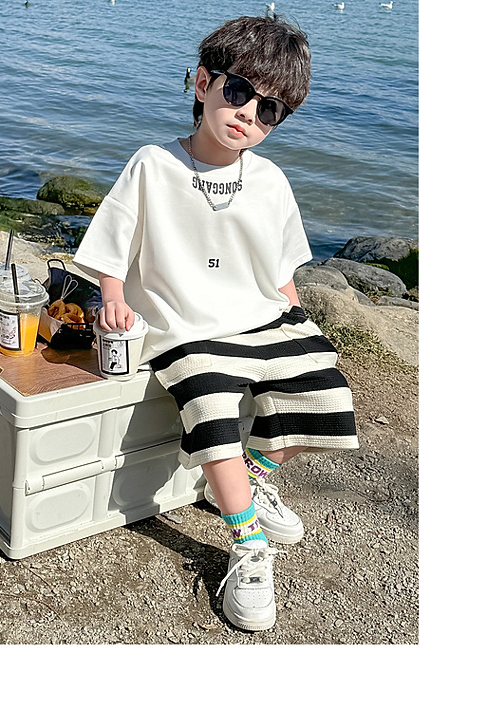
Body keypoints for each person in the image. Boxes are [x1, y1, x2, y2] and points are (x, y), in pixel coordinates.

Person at [73, 14, 359, 632]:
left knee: (325, 390)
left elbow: (279, 266)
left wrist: (296, 318)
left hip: (255, 311)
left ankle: (252, 479)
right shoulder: (153, 165)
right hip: (181, 321)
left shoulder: (270, 180)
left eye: (269, 110)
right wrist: (113, 297)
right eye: (239, 92)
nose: (248, 114)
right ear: (204, 83)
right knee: (211, 402)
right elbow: (113, 243)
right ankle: (247, 541)